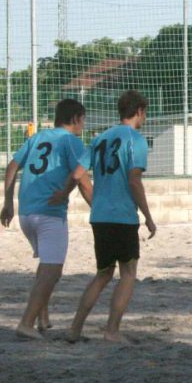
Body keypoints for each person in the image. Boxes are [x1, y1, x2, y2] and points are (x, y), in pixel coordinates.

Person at [67, 90, 157, 343]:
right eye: (145, 112)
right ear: (139, 111)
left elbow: (77, 175)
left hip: (100, 216)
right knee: (128, 273)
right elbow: (134, 181)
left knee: (103, 273)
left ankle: (75, 329)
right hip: (123, 216)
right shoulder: (135, 140)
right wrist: (148, 217)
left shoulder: (99, 138)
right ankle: (112, 331)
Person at [0, 98, 90, 340]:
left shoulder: (38, 137)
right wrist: (97, 206)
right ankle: (26, 323)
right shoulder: (72, 141)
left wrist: (7, 202)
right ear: (75, 119)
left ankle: (42, 317)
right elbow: (81, 178)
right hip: (49, 213)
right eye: (82, 120)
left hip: (26, 213)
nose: (83, 125)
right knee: (53, 270)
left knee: (46, 265)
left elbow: (11, 167)